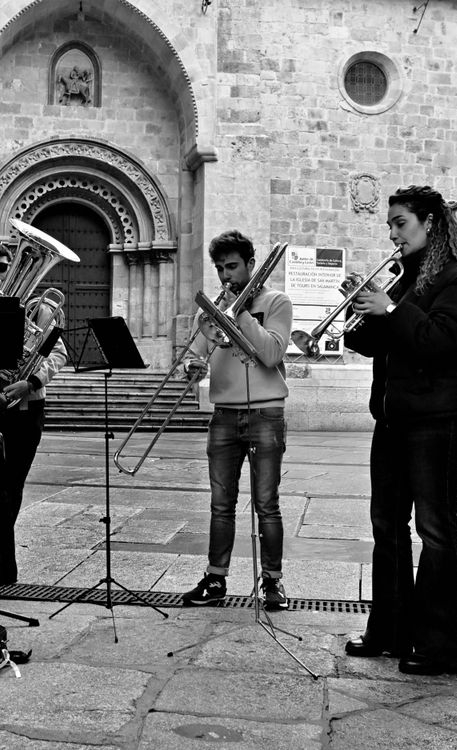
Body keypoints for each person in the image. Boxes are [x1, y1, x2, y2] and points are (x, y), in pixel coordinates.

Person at [343, 185, 457, 676]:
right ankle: (389, 631)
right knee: (386, 526)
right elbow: (369, 343)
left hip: (440, 420)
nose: (391, 233)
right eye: (389, 224)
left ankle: (444, 647)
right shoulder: (406, 282)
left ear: (429, 222)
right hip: (395, 418)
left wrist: (390, 308)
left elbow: (438, 340)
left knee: (435, 529)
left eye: (399, 223)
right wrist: (359, 310)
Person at [180, 230, 293, 610]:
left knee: (267, 503)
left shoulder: (276, 301)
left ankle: (273, 582)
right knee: (220, 503)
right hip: (224, 414)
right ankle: (215, 579)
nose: (226, 275)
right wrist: (191, 367)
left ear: (250, 264)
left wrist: (240, 313)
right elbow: (195, 354)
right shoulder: (208, 310)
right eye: (220, 268)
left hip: (266, 412)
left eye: (232, 266)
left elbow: (272, 354)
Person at [0, 241, 68, 584]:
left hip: (27, 409)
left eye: (3, 267)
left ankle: (3, 568)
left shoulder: (37, 308)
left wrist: (30, 381)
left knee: (11, 489)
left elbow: (57, 354)